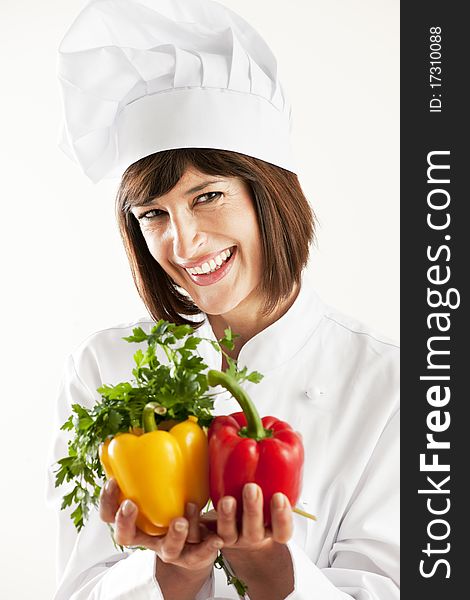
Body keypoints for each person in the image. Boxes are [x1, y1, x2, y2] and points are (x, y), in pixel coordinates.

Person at [47, 1, 399, 599]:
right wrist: (172, 574)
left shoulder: (392, 385)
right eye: (154, 214)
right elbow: (79, 591)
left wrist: (273, 573)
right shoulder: (103, 369)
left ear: (269, 192)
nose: (181, 243)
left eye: (207, 196)